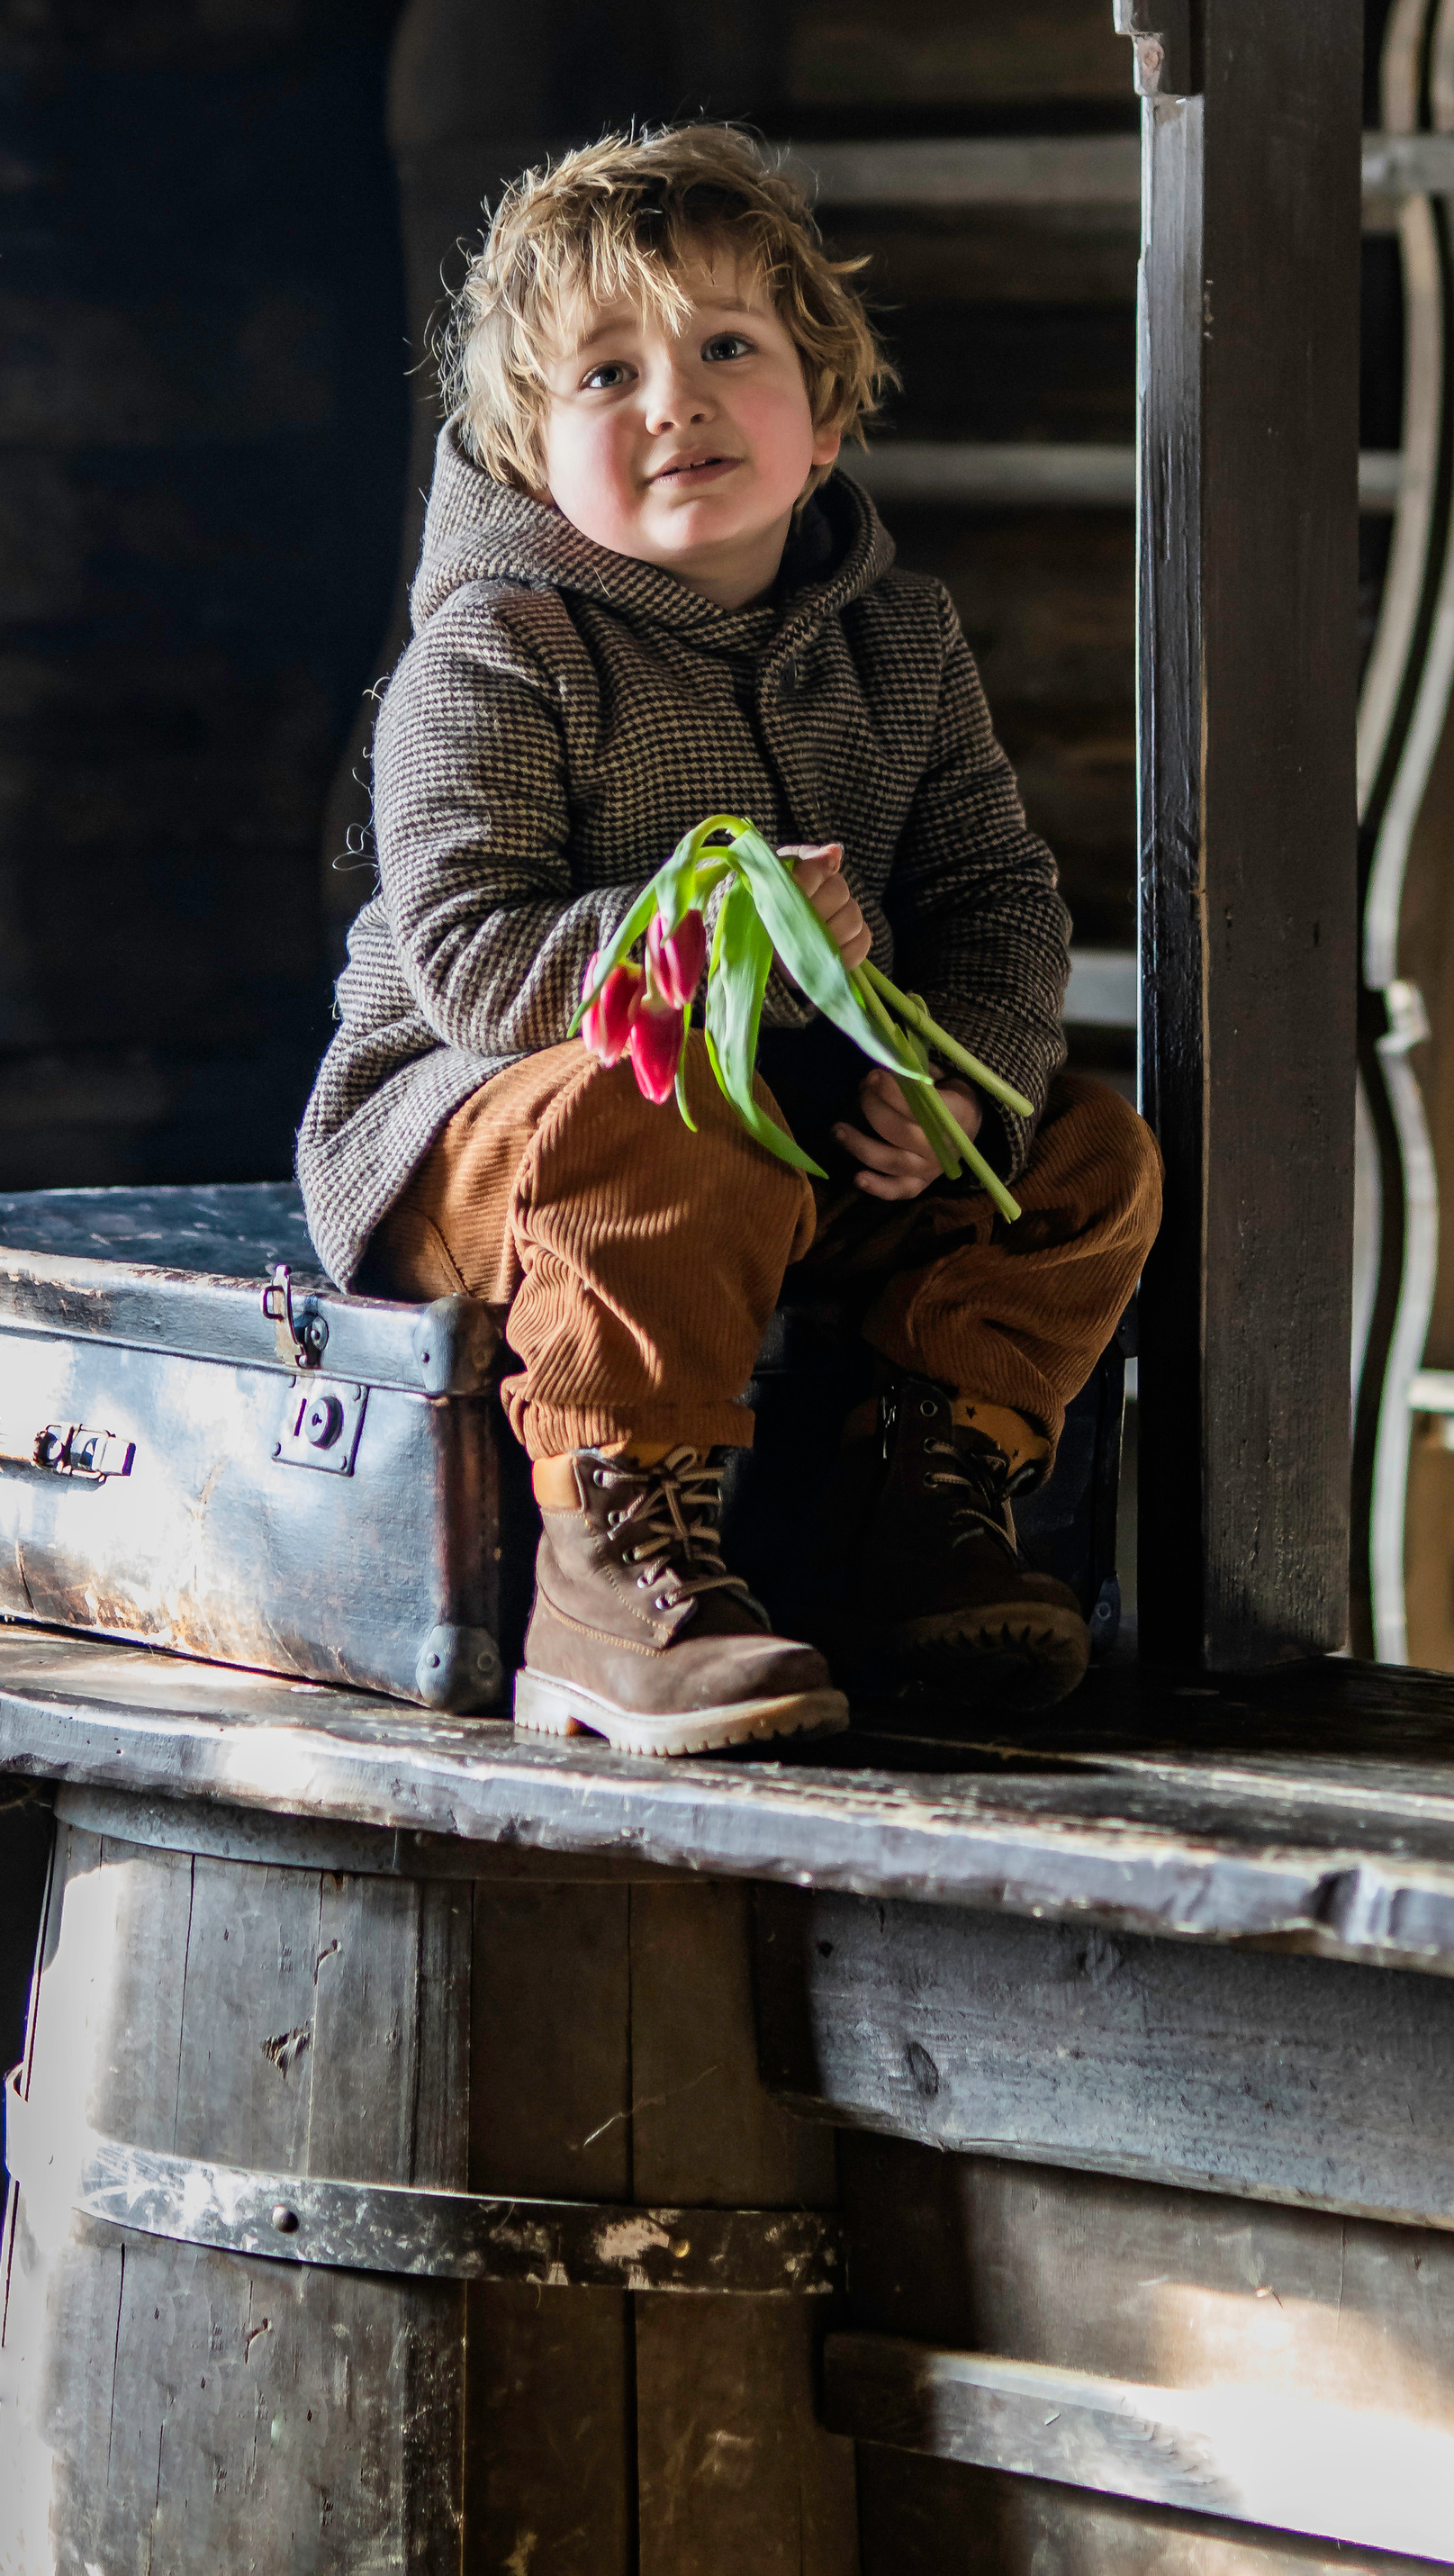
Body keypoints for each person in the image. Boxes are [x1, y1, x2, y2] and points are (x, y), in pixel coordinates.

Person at [297, 122, 1160, 1758]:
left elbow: (996, 892)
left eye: (726, 347)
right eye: (603, 376)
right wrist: (716, 927)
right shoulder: (493, 653)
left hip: (791, 1144)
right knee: (669, 1114)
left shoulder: (901, 643)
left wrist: (960, 1090)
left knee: (1090, 1154)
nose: (672, 399)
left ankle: (916, 1508)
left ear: (824, 422)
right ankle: (612, 1568)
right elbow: (474, 961)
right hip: (499, 1145)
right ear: (527, 458)